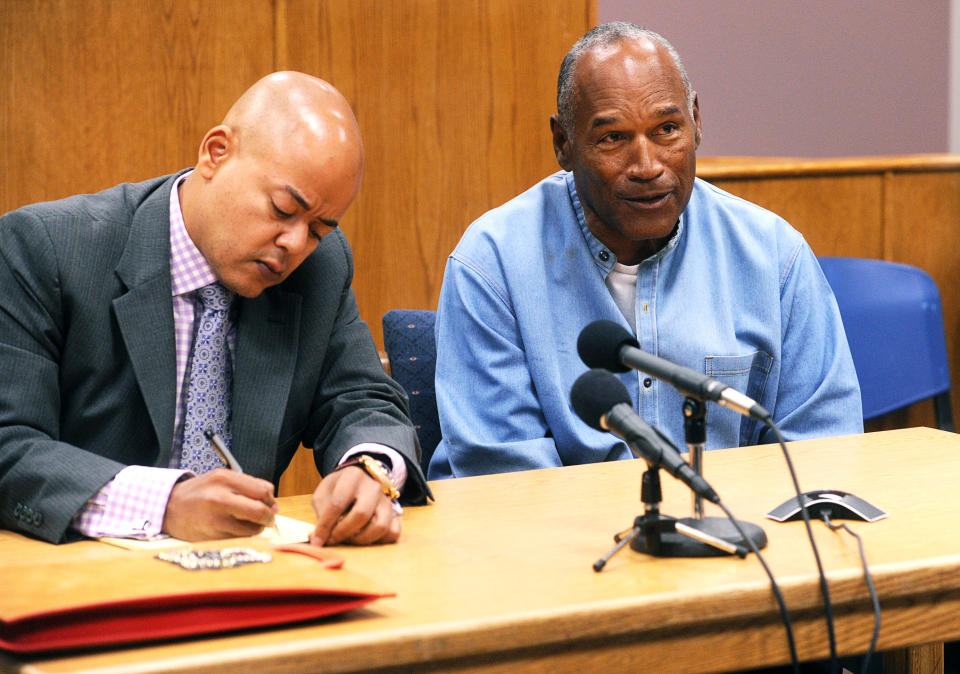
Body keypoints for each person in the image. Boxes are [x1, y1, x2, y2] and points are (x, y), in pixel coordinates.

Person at [0, 71, 431, 545]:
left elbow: (361, 400)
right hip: (79, 576)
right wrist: (164, 503)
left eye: (318, 229)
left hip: (244, 576)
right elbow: (11, 447)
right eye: (283, 210)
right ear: (216, 153)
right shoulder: (46, 250)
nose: (294, 244)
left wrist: (369, 468)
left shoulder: (320, 268)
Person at [429, 23, 862, 479]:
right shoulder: (492, 264)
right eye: (613, 137)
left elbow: (822, 454)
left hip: (738, 536)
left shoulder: (774, 256)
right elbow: (506, 480)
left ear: (696, 121)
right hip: (560, 544)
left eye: (667, 129)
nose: (647, 166)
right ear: (563, 144)